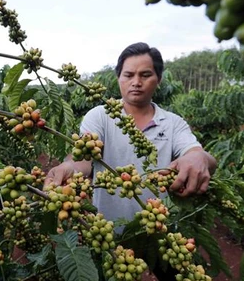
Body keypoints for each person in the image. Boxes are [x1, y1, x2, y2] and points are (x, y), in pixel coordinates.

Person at [44, 42, 217, 225]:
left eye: (145, 75)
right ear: (118, 78)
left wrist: (199, 157)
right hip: (107, 232)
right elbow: (83, 159)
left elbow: (200, 156)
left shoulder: (173, 123)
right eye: (128, 75)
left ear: (158, 80)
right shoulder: (100, 116)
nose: (136, 82)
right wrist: (70, 167)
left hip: (157, 230)